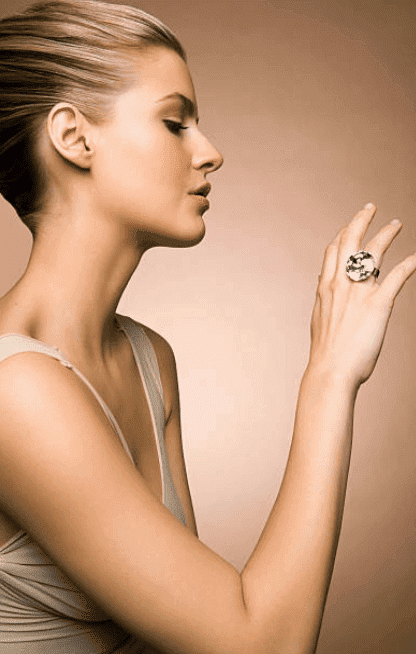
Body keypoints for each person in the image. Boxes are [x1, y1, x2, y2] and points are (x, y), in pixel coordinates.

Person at [0, 1, 414, 652]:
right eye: (174, 123)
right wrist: (331, 374)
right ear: (75, 138)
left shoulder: (147, 360)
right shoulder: (16, 391)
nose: (211, 153)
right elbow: (260, 643)